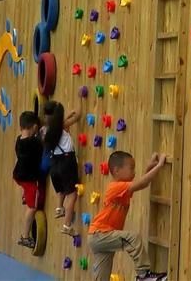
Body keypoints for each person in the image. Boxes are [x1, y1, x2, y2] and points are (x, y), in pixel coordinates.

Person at [88, 151, 168, 281]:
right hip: (100, 235)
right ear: (117, 171)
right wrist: (159, 166)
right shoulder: (115, 187)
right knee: (133, 238)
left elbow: (143, 183)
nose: (134, 172)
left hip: (98, 237)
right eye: (131, 168)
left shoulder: (123, 188)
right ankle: (143, 276)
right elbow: (142, 183)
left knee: (102, 276)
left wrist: (151, 167)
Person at [41, 100, 81, 235]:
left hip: (54, 163)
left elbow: (57, 124)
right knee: (72, 194)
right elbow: (78, 116)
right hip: (66, 161)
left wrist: (66, 114)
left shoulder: (44, 130)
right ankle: (67, 225)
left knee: (62, 188)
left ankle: (59, 207)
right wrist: (79, 99)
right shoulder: (62, 126)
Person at [13, 111, 45, 249]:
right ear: (34, 127)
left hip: (18, 175)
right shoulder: (34, 143)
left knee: (29, 191)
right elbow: (43, 146)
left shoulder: (19, 140)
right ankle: (25, 237)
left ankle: (26, 195)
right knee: (33, 207)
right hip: (28, 178)